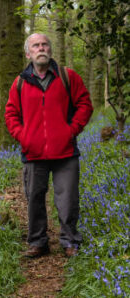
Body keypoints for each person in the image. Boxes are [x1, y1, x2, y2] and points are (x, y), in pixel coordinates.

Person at [5, 33, 93, 258]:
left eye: (44, 44)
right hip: (33, 153)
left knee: (68, 199)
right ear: (28, 53)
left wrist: (71, 130)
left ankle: (70, 242)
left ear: (50, 50)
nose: (41, 48)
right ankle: (38, 242)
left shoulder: (67, 76)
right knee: (34, 198)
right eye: (36, 45)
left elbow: (85, 104)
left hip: (65, 151)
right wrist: (23, 136)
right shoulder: (20, 82)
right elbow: (11, 114)